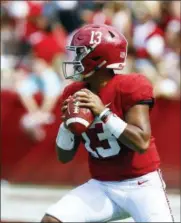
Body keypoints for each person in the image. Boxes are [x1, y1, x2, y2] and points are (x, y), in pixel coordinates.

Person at [41, 24, 174, 223]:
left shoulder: (130, 86)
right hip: (102, 186)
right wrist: (66, 126)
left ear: (98, 58)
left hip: (141, 185)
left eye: (80, 53)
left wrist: (103, 113)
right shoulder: (73, 92)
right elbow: (64, 157)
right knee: (52, 220)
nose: (75, 59)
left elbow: (141, 142)